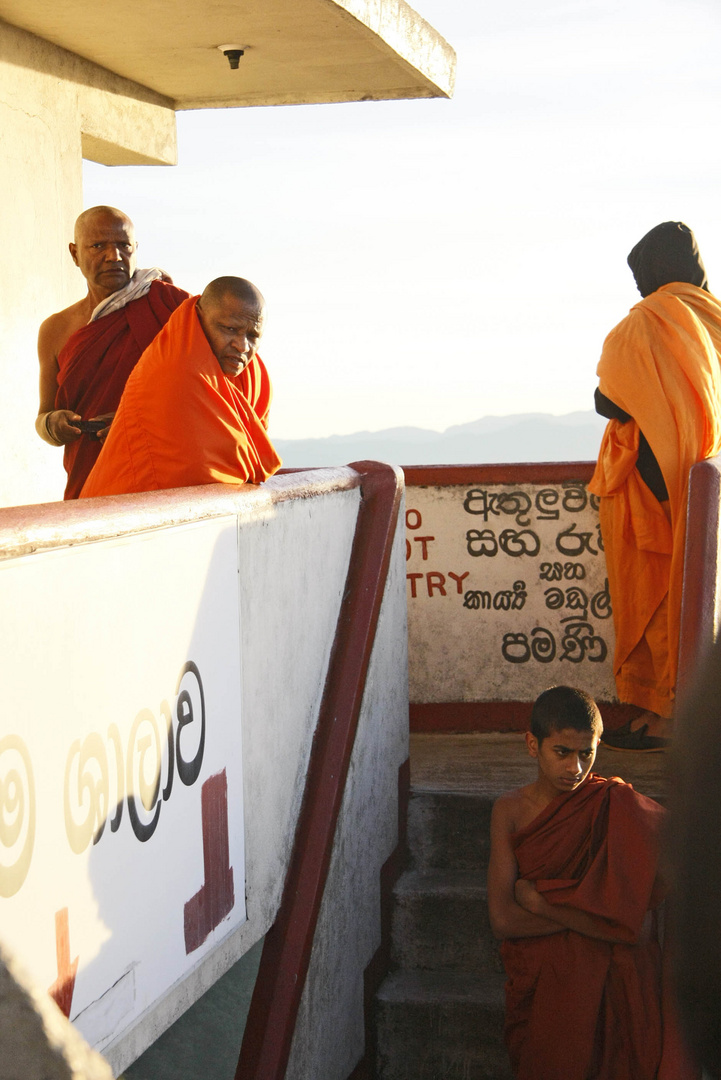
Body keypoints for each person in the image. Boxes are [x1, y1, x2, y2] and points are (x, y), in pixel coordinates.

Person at [487, 685, 694, 1080]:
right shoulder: (510, 811)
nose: (575, 769)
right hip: (549, 984)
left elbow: (635, 927)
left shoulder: (616, 803)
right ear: (533, 745)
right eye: (561, 753)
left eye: (587, 753)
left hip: (619, 983)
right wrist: (599, 920)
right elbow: (504, 921)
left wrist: (543, 903)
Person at [589, 222, 721, 750]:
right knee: (694, 597)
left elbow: (610, 400)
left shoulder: (650, 319)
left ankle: (664, 717)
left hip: (656, 484)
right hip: (703, 480)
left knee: (660, 598)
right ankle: (660, 712)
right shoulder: (712, 317)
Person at [36, 205, 188, 498]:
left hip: (161, 478)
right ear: (74, 253)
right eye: (98, 246)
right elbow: (43, 417)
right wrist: (53, 425)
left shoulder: (169, 308)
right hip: (90, 477)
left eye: (123, 245)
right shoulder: (55, 330)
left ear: (136, 249)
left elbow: (210, 391)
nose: (113, 256)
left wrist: (137, 422)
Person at [80, 276, 282, 497]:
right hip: (121, 516)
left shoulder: (253, 377)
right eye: (230, 329)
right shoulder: (177, 368)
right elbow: (207, 471)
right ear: (199, 317)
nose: (242, 345)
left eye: (253, 335)